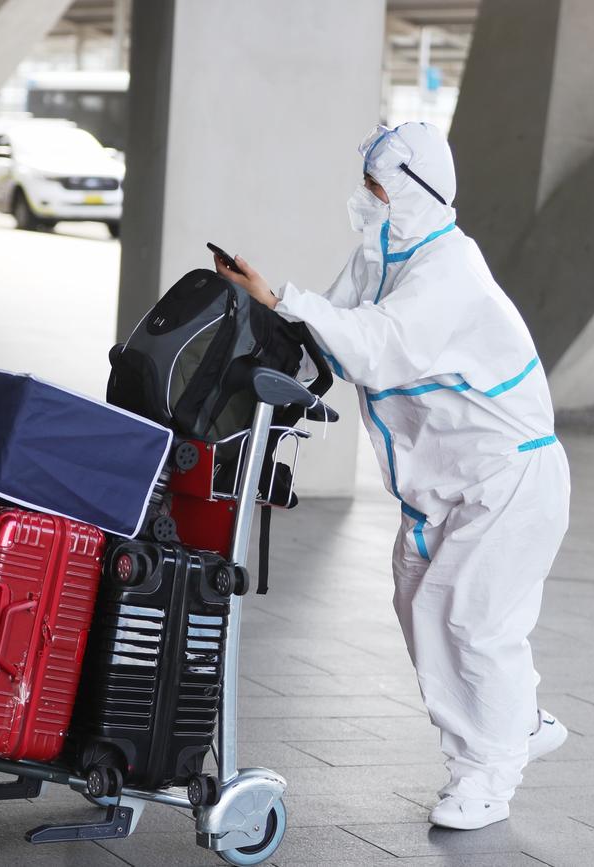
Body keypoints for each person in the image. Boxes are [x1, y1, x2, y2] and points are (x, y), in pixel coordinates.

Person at [214, 121, 572, 830]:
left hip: (506, 478)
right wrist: (270, 312)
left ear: (415, 192)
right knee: (420, 605)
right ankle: (516, 715)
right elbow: (335, 335)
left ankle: (489, 772)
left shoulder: (450, 273)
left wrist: (283, 297)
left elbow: (379, 348)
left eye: (378, 188)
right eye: (369, 186)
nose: (367, 199)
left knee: (469, 616)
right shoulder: (381, 254)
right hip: (444, 485)